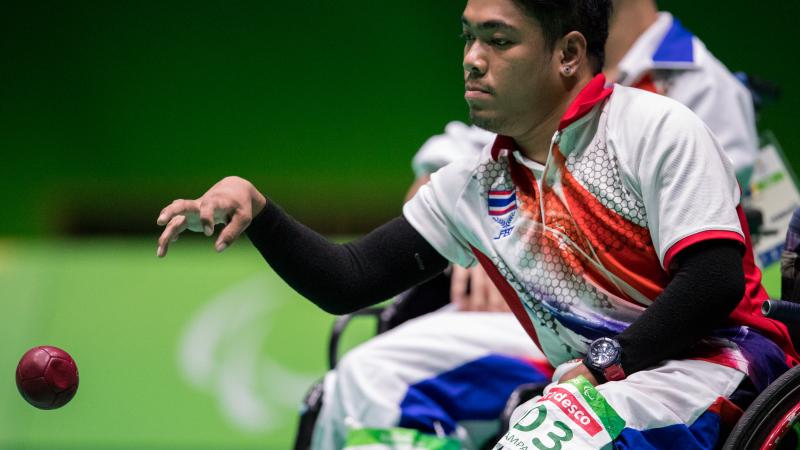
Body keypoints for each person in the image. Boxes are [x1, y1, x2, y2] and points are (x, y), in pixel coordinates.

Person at [156, 0, 798, 448]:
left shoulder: (657, 125)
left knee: (545, 438)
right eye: (468, 37)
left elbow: (714, 277)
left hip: (715, 368)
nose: (471, 59)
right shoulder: (469, 187)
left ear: (569, 53)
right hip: (595, 393)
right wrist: (260, 210)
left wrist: (608, 362)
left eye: (498, 40)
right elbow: (347, 279)